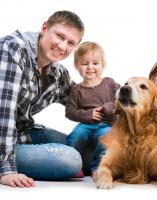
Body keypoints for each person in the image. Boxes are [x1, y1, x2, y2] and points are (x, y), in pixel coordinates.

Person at [0, 10, 84, 187]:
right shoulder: (13, 48)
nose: (62, 46)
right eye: (60, 36)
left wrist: (128, 97)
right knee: (71, 159)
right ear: (44, 28)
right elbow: (4, 110)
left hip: (21, 133)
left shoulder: (57, 72)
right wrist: (6, 169)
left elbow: (84, 99)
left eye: (70, 43)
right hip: (3, 138)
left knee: (86, 147)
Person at [65, 41, 120, 177]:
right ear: (77, 66)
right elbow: (70, 111)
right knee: (74, 137)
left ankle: (98, 168)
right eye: (84, 63)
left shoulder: (110, 83)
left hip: (106, 125)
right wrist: (88, 114)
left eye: (95, 63)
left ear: (103, 65)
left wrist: (107, 108)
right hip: (85, 124)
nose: (90, 67)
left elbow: (121, 100)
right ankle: (73, 166)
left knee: (106, 138)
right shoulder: (76, 90)